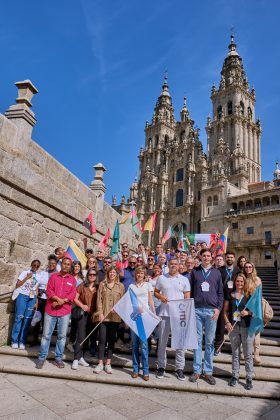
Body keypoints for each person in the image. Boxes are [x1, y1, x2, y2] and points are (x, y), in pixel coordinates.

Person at [189, 249, 224, 385]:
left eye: (208, 255)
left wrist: (218, 309)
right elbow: (190, 291)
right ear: (200, 257)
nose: (206, 258)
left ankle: (208, 371)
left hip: (211, 311)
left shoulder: (216, 273)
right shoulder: (195, 272)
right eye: (203, 255)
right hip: (197, 310)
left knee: (209, 342)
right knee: (197, 341)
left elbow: (220, 293)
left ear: (212, 257)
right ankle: (197, 370)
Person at [36, 257, 76, 369]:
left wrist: (62, 301)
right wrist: (57, 299)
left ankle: (58, 358)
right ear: (61, 264)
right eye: (64, 264)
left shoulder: (72, 279)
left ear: (70, 266)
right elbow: (49, 290)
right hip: (50, 310)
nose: (66, 266)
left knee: (62, 336)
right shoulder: (53, 276)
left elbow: (72, 294)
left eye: (68, 264)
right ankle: (41, 357)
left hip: (64, 311)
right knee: (46, 335)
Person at [154, 258, 191, 381]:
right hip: (165, 313)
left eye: (175, 264)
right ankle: (161, 366)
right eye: (171, 264)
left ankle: (179, 368)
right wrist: (161, 297)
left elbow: (187, 297)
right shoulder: (161, 278)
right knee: (162, 342)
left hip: (179, 315)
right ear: (168, 266)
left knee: (180, 343)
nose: (173, 266)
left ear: (179, 266)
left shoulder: (184, 279)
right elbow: (155, 292)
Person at [224, 273, 254, 390]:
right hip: (233, 327)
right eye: (237, 281)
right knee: (235, 353)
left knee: (247, 354)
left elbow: (255, 311)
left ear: (244, 282)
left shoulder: (249, 295)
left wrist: (248, 313)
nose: (239, 283)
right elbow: (225, 311)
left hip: (246, 326)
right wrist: (227, 323)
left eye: (242, 281)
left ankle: (249, 377)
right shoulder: (230, 295)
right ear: (234, 282)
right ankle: (235, 375)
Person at [93, 267, 125, 374]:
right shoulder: (102, 284)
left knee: (111, 340)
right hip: (103, 318)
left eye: (114, 272)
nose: (112, 274)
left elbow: (123, 302)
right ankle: (100, 363)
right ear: (107, 273)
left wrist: (118, 309)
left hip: (115, 318)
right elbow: (99, 301)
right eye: (110, 272)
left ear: (116, 274)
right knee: (102, 340)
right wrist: (100, 313)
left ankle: (108, 363)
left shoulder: (121, 286)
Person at [129, 266, 156, 381]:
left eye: (141, 273)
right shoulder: (131, 286)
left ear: (144, 275)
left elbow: (150, 301)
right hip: (135, 318)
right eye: (137, 273)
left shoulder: (147, 285)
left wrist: (154, 314)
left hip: (144, 319)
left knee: (144, 346)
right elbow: (129, 302)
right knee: (135, 345)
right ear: (135, 275)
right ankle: (135, 369)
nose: (139, 275)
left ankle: (145, 370)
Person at [72, 268, 98, 370]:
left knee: (88, 337)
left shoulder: (98, 286)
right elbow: (75, 298)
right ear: (87, 275)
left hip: (93, 316)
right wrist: (82, 305)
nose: (92, 276)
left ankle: (81, 357)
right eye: (90, 274)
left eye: (94, 274)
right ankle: (75, 359)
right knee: (81, 337)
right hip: (83, 314)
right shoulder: (83, 285)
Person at [11, 260, 41, 349]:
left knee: (27, 320)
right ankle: (14, 340)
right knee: (19, 317)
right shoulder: (25, 273)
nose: (35, 267)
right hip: (22, 296)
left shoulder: (38, 276)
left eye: (37, 266)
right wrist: (27, 278)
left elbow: (36, 289)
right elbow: (17, 285)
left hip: (32, 298)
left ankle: (22, 341)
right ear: (31, 265)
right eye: (34, 265)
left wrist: (36, 301)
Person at [214, 251, 240, 355]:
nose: (230, 259)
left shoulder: (238, 271)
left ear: (234, 258)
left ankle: (236, 346)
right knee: (220, 323)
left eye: (231, 257)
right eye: (228, 257)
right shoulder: (219, 270)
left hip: (235, 301)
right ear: (225, 258)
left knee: (236, 321)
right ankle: (217, 346)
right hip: (223, 299)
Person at [32, 255, 58, 346]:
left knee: (48, 321)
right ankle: (35, 339)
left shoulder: (58, 275)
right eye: (50, 263)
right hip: (41, 299)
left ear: (56, 265)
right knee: (38, 319)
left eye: (54, 263)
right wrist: (36, 299)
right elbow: (37, 286)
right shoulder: (43, 273)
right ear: (48, 264)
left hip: (51, 300)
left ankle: (46, 341)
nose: (52, 265)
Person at [243, 261, 262, 365]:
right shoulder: (244, 278)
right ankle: (245, 351)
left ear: (253, 268)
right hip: (245, 307)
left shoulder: (257, 279)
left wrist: (254, 310)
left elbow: (258, 296)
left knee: (256, 331)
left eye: (250, 267)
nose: (248, 268)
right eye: (246, 267)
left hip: (255, 307)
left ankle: (257, 354)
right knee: (245, 330)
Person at [67, 261, 85, 352]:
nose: (77, 268)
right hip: (68, 303)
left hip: (77, 304)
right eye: (75, 266)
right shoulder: (69, 277)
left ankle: (71, 342)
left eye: (78, 266)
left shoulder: (82, 278)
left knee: (74, 325)